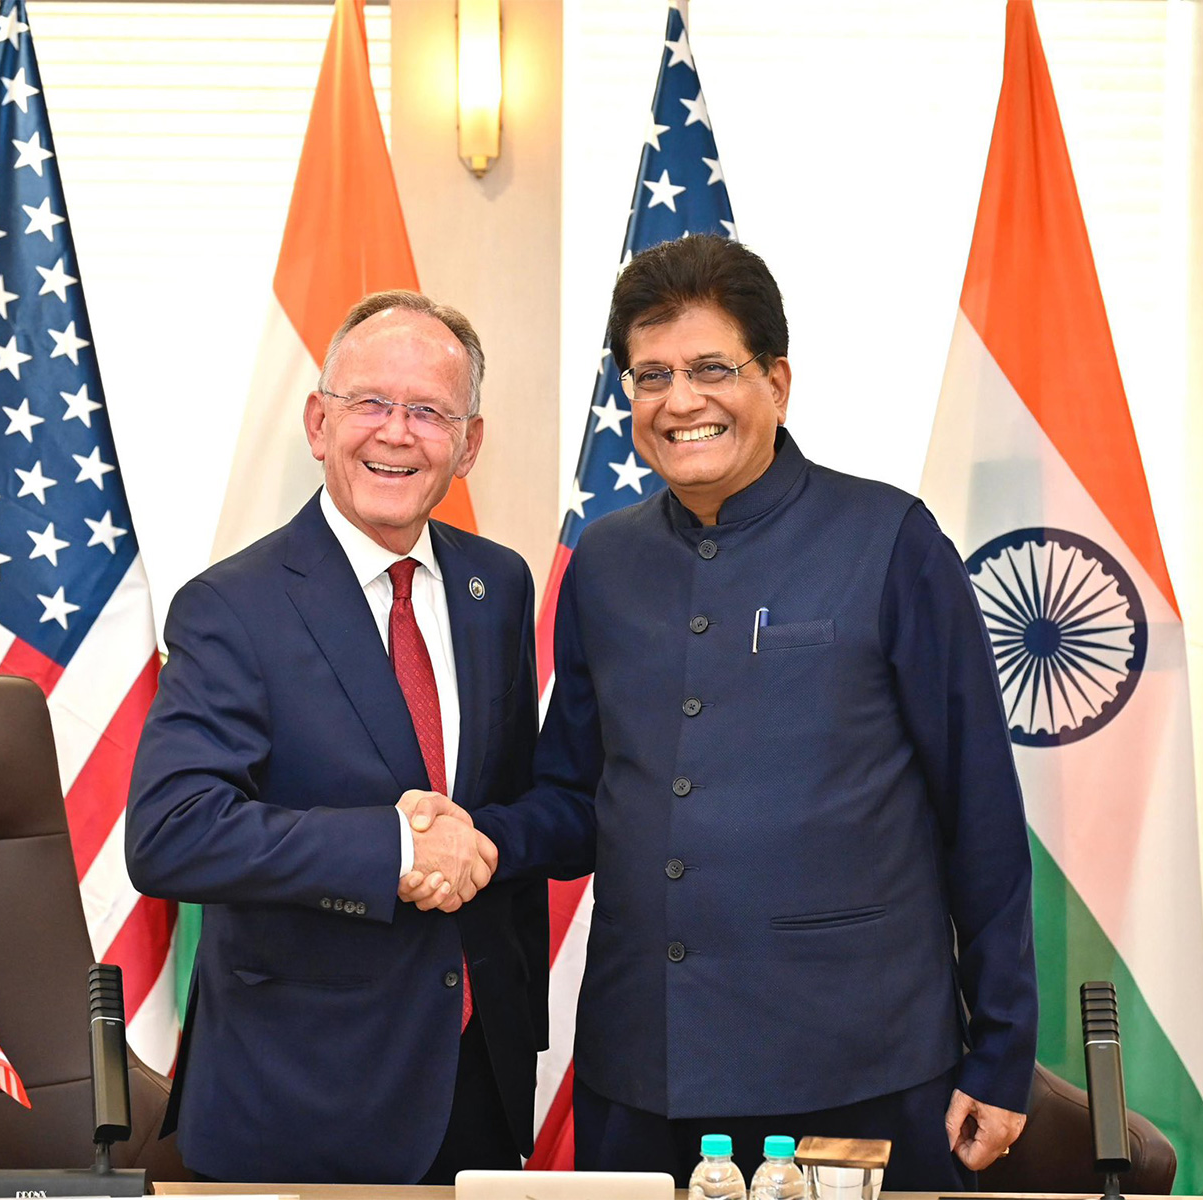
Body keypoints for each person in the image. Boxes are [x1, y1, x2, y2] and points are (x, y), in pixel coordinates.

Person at [408, 236, 1038, 1189]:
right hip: (644, 1068)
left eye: (713, 369)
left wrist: (1000, 1052)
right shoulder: (604, 564)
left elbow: (980, 811)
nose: (681, 400)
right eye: (651, 374)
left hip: (858, 1065)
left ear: (777, 382)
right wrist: (473, 838)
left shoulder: (891, 541)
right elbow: (577, 799)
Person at [125, 290, 547, 1184]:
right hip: (300, 1094)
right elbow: (173, 832)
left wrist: (477, 849)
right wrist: (396, 845)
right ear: (319, 422)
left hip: (478, 1077)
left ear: (469, 444)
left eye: (430, 411)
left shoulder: (497, 587)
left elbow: (503, 806)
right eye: (369, 403)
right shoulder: (232, 606)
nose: (397, 433)